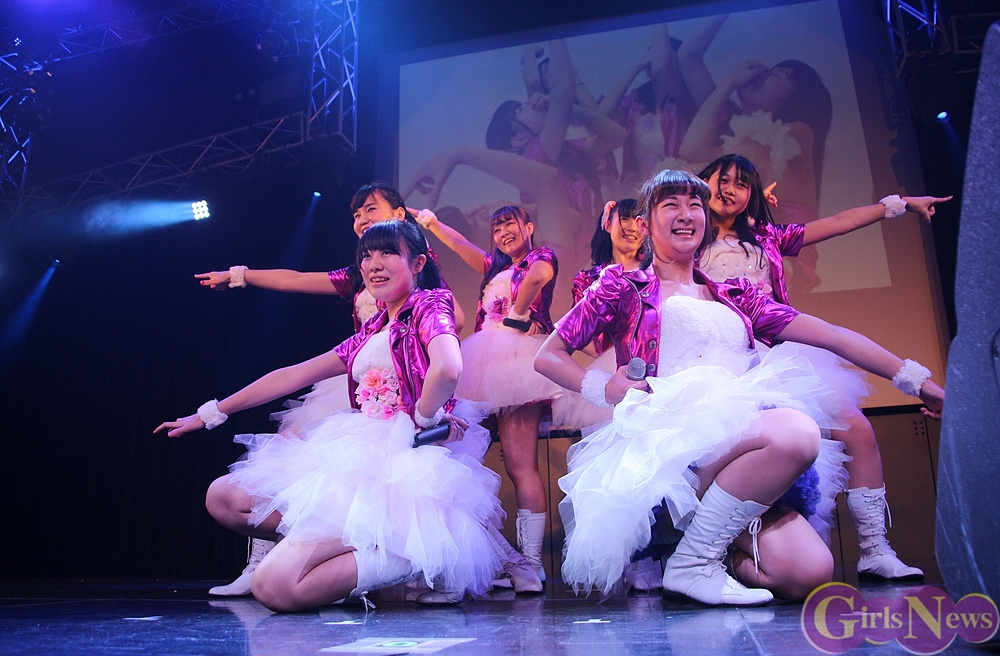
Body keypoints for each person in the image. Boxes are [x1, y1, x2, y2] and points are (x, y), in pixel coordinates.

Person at [534, 169, 944, 604]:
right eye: (671, 204)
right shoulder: (623, 286)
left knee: (810, 572)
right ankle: (694, 563)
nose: (686, 214)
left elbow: (833, 336)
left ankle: (709, 549)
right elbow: (548, 355)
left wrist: (922, 384)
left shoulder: (736, 295)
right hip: (675, 452)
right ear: (645, 223)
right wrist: (602, 389)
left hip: (736, 451)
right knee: (796, 433)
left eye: (694, 205)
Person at [155, 221, 504, 610]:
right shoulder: (373, 328)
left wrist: (424, 419)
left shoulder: (428, 304)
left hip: (401, 465)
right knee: (223, 497)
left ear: (418, 262)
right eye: (367, 255)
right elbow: (292, 375)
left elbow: (448, 368)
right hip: (357, 451)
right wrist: (210, 413)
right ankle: (364, 547)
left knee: (274, 588)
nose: (374, 264)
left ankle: (414, 554)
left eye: (387, 252)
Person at [697, 153, 951, 580]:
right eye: (721, 179)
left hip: (777, 351)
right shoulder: (684, 243)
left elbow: (837, 222)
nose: (729, 190)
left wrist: (899, 204)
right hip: (718, 366)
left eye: (741, 184)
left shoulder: (768, 238)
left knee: (857, 430)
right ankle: (718, 554)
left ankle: (874, 549)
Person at [415, 205, 561, 584]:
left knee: (520, 464)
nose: (503, 232)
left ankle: (531, 564)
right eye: (497, 228)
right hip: (483, 363)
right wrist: (430, 222)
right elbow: (460, 243)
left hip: (516, 364)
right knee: (462, 455)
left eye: (510, 223)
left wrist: (518, 313)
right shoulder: (494, 267)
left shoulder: (541, 256)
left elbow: (539, 276)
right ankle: (485, 560)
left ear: (528, 226)